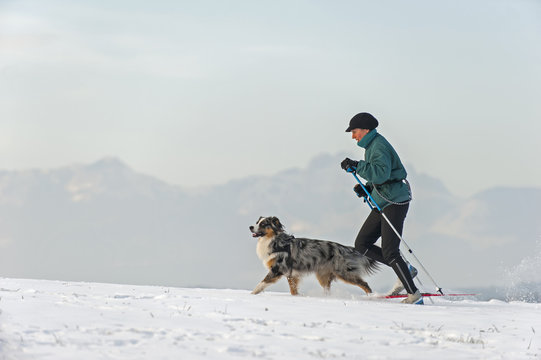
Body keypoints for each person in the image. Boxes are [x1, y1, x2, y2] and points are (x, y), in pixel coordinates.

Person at [340, 112, 423, 304]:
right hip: (384, 201)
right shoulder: (372, 146)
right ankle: (407, 270)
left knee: (390, 251)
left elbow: (381, 174)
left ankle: (414, 295)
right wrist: (367, 188)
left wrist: (357, 166)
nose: (353, 136)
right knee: (362, 243)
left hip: (394, 202)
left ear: (365, 130)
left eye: (354, 131)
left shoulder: (378, 146)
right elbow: (380, 176)